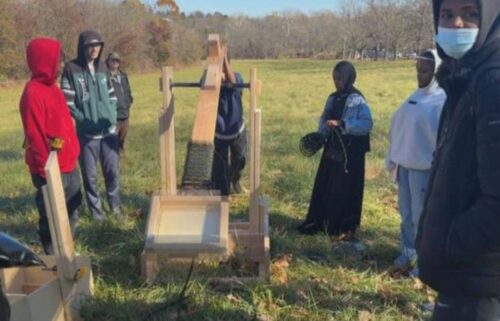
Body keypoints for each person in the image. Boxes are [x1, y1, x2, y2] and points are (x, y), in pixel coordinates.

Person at [416, 0, 500, 319]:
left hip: (477, 284)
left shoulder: (492, 83)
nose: (457, 24)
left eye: (470, 13)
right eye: (447, 15)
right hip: (464, 280)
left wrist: (448, 244)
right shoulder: (462, 77)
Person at [386, 49, 446, 277]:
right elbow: (399, 125)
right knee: (406, 214)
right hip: (405, 164)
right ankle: (408, 253)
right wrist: (393, 156)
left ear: (436, 71)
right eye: (417, 70)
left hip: (424, 168)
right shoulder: (415, 96)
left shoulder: (441, 100)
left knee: (422, 216)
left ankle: (424, 262)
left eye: (425, 70)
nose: (419, 74)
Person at [298, 61, 373, 240]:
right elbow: (325, 119)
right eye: (334, 78)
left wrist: (343, 124)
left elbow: (366, 124)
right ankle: (319, 222)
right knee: (325, 185)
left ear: (349, 77)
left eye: (339, 78)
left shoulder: (357, 99)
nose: (336, 82)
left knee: (343, 189)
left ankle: (340, 227)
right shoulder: (333, 97)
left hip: (350, 154)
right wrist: (320, 135)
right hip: (332, 148)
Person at [19, 37, 82, 254]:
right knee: (52, 215)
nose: (61, 64)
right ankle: (54, 260)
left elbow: (62, 124)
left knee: (72, 208)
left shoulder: (53, 88)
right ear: (43, 61)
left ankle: (67, 251)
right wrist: (47, 172)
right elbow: (35, 136)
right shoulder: (33, 93)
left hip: (68, 162)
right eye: (57, 60)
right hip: (50, 168)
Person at [61, 30, 121, 220]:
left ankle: (115, 207)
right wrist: (83, 119)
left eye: (98, 45)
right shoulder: (71, 69)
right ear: (83, 47)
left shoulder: (103, 67)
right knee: (90, 176)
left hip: (108, 132)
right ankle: (97, 213)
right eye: (90, 45)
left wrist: (112, 115)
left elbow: (112, 94)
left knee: (112, 173)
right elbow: (67, 101)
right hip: (87, 135)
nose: (95, 49)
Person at [211, 52, 247, 195]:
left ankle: (235, 180)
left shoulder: (237, 76)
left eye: (224, 66)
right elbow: (203, 85)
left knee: (240, 159)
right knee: (220, 166)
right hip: (218, 131)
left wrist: (224, 58)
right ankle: (223, 192)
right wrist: (214, 78)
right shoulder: (209, 79)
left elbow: (234, 84)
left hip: (237, 128)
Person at [106, 52, 133, 156]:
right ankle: (113, 155)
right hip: (114, 112)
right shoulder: (105, 76)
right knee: (113, 136)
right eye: (113, 60)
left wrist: (129, 101)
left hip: (125, 111)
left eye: (117, 60)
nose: (115, 62)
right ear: (108, 62)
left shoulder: (123, 75)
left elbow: (128, 90)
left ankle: (121, 152)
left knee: (123, 135)